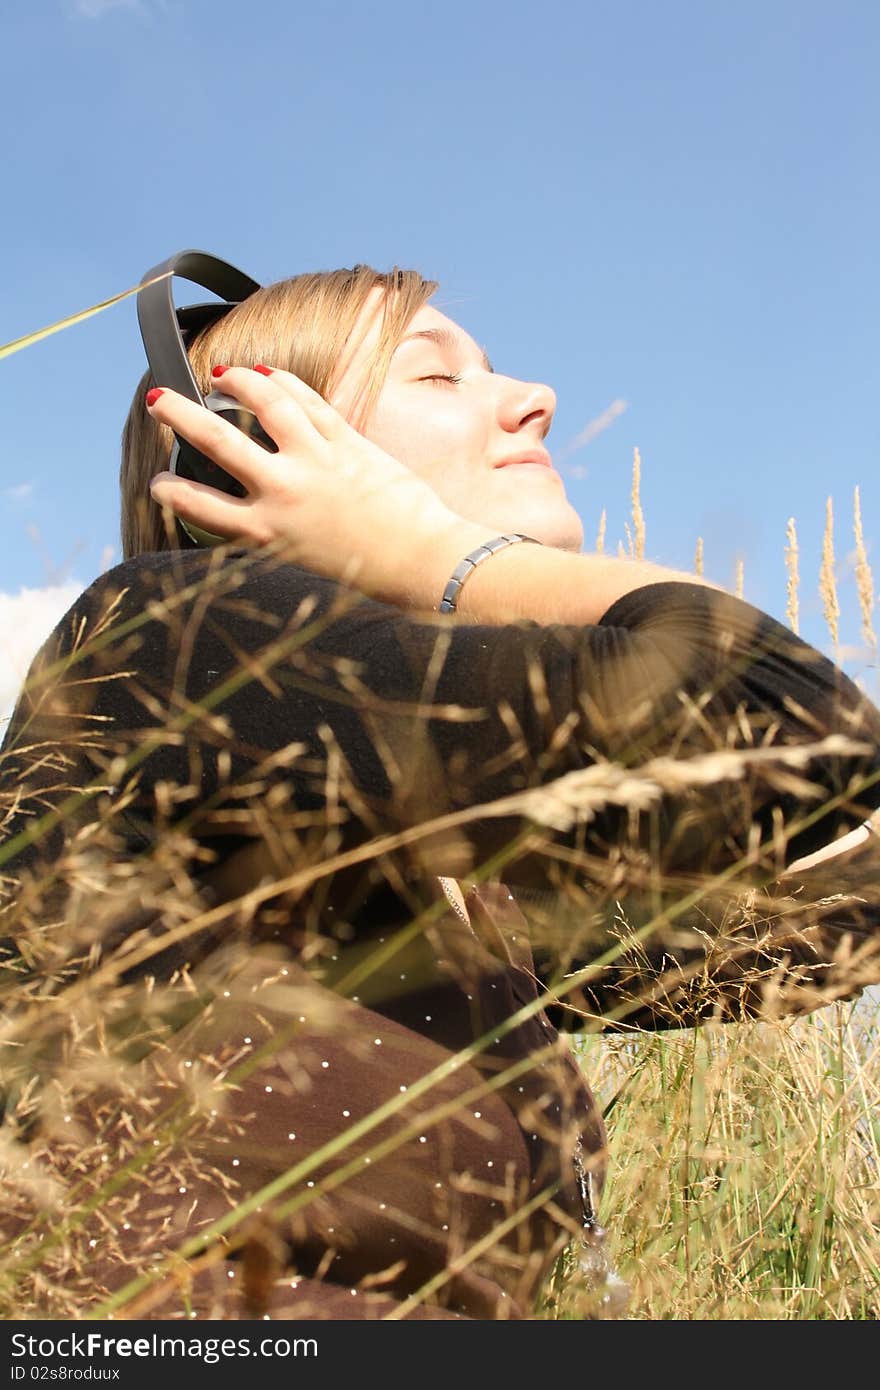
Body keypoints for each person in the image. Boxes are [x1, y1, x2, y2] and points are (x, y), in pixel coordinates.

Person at [2, 261, 880, 1322]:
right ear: (249, 448)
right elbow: (783, 716)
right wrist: (447, 557)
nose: (532, 396)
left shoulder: (415, 849)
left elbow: (798, 930)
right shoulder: (172, 638)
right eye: (434, 377)